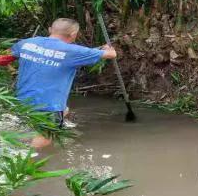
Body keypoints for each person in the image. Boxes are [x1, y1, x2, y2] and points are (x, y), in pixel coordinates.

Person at [6, 18, 117, 148]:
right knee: (47, 136)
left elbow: (1, 58)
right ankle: (26, 161)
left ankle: (49, 126)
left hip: (21, 100)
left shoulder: (26, 43)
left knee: (65, 110)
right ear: (73, 35)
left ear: (50, 30)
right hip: (48, 104)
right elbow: (111, 54)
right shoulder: (74, 51)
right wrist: (107, 48)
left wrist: (12, 70)